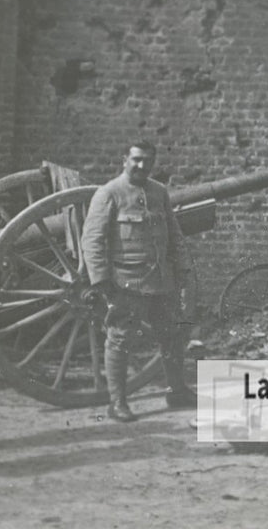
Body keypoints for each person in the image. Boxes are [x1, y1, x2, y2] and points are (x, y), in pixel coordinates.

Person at [80, 139, 196, 421]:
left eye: (148, 160)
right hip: (126, 284)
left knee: (173, 336)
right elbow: (92, 241)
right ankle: (117, 403)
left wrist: (183, 269)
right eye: (137, 159)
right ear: (125, 160)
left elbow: (174, 235)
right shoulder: (109, 193)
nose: (142, 165)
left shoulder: (159, 192)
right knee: (120, 340)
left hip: (161, 282)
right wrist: (102, 282)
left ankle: (177, 390)